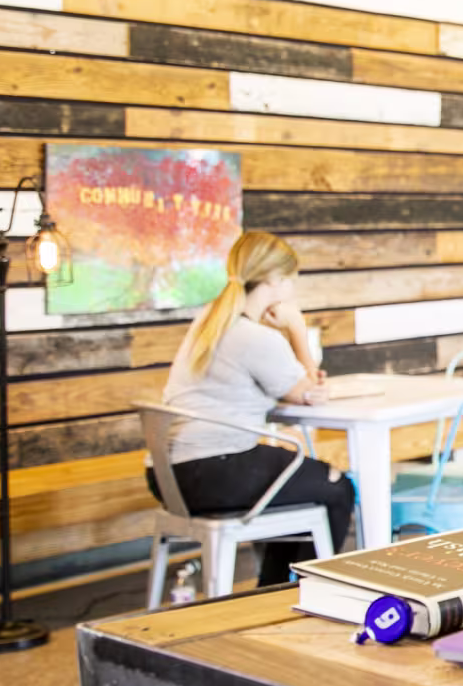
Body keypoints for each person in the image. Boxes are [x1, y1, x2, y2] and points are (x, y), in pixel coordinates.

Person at [151, 230, 355, 586]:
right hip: (216, 471)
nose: (293, 286)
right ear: (275, 279)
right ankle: (299, 594)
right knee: (336, 488)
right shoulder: (255, 337)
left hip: (169, 475)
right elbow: (311, 392)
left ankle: (273, 591)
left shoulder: (209, 321)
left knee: (294, 486)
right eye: (291, 277)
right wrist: (296, 327)